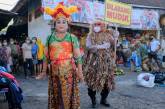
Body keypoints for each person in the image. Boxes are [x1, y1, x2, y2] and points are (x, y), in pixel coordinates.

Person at [37, 2, 84, 109]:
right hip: (54, 73)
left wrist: (80, 73)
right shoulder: (49, 38)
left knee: (67, 97)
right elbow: (45, 57)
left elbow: (78, 57)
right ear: (55, 23)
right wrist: (43, 72)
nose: (61, 24)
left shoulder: (72, 38)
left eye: (63, 22)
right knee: (57, 96)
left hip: (69, 73)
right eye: (58, 22)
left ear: (68, 24)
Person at [84, 21, 117, 108]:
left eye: (99, 24)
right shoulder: (90, 35)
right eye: (96, 24)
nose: (97, 26)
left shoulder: (108, 34)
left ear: (104, 25)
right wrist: (100, 46)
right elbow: (88, 47)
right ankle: (93, 100)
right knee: (92, 81)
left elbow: (114, 46)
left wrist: (115, 38)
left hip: (106, 62)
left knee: (107, 81)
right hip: (93, 63)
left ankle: (103, 99)